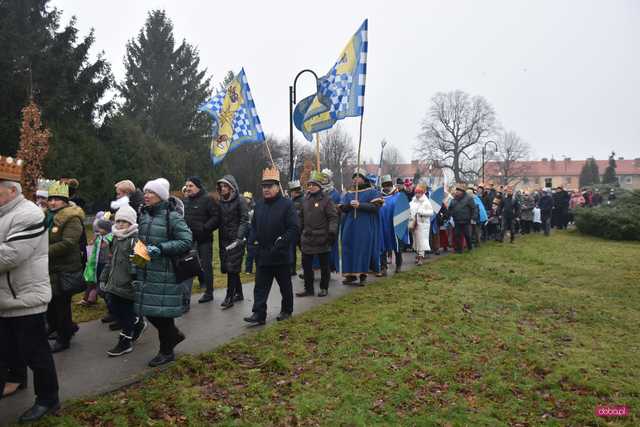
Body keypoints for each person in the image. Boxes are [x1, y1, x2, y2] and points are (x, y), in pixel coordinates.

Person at [0, 168, 61, 423]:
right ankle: (15, 379)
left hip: (26, 298)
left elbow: (10, 255)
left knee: (36, 353)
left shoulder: (29, 214)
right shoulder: (5, 214)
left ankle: (48, 399)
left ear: (11, 191)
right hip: (6, 297)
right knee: (6, 348)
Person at [135, 178, 192, 367]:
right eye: (146, 192)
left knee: (163, 315)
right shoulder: (143, 215)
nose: (146, 195)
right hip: (146, 271)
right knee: (150, 312)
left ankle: (166, 352)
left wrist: (161, 248)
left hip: (166, 273)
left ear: (160, 196)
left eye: (151, 192)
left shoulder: (172, 216)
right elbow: (141, 242)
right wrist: (136, 262)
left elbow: (186, 241)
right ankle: (174, 336)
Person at [244, 167, 299, 325]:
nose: (266, 189)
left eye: (270, 186)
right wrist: (251, 244)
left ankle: (287, 310)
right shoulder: (259, 206)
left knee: (285, 286)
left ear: (277, 187)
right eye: (264, 186)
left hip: (280, 255)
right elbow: (253, 227)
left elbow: (294, 228)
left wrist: (282, 241)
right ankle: (258, 314)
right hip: (263, 254)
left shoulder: (287, 205)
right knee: (260, 287)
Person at [100, 205, 147, 357]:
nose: (120, 224)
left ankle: (126, 341)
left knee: (126, 314)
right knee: (115, 308)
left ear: (131, 223)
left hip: (128, 284)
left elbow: (141, 262)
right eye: (118, 221)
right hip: (114, 282)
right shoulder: (115, 238)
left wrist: (134, 278)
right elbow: (110, 260)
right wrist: (104, 277)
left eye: (124, 222)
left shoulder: (136, 239)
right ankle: (137, 323)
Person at [45, 180, 86, 353]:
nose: (53, 202)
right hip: (51, 268)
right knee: (52, 303)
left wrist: (42, 251)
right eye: (51, 198)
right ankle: (64, 328)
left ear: (65, 200)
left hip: (64, 269)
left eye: (57, 199)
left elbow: (69, 243)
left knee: (61, 304)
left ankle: (64, 337)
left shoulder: (71, 217)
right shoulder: (48, 216)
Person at [297, 171, 339, 297]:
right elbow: (301, 217)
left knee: (324, 266)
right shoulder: (305, 199)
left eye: (313, 184)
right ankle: (308, 289)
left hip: (322, 238)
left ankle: (324, 288)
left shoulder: (327, 200)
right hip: (307, 238)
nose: (310, 187)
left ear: (320, 186)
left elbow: (333, 217)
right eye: (309, 185)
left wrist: (332, 232)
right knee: (307, 266)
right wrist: (298, 231)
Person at [340, 169, 383, 285]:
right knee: (348, 248)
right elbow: (342, 208)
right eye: (354, 177)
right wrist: (349, 205)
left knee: (362, 249)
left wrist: (360, 205)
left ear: (363, 179)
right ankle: (350, 275)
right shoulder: (349, 193)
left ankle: (363, 275)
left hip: (364, 226)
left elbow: (375, 207)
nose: (355, 179)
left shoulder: (372, 192)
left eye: (358, 177)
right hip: (350, 226)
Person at [182, 176, 220, 305]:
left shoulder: (208, 199)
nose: (188, 188)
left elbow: (216, 217)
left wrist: (205, 228)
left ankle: (209, 292)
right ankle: (185, 296)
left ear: (198, 186)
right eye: (187, 186)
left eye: (191, 186)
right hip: (189, 240)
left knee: (206, 266)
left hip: (204, 239)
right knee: (188, 266)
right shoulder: (186, 201)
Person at [216, 175, 250, 309]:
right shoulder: (220, 201)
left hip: (236, 240)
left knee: (232, 268)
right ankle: (239, 293)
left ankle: (229, 297)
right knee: (232, 268)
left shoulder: (240, 200)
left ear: (232, 187)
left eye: (225, 186)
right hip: (224, 239)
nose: (223, 188)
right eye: (221, 186)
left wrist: (239, 237)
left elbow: (244, 220)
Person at [80, 215, 113, 307]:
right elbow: (94, 249)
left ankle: (96, 298)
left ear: (107, 229)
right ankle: (90, 298)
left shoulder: (110, 238)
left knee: (101, 283)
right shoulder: (98, 238)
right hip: (96, 263)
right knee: (93, 281)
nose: (98, 230)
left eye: (100, 228)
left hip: (105, 264)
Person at [377, 175, 407, 275]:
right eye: (384, 185)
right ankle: (383, 268)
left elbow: (403, 210)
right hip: (382, 224)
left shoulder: (398, 195)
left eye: (388, 185)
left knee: (396, 246)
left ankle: (398, 265)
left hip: (394, 225)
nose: (386, 187)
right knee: (382, 246)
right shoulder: (379, 197)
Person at [409, 183, 434, 266]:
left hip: (423, 224)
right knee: (416, 240)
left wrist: (422, 212)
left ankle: (420, 257)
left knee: (422, 241)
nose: (417, 194)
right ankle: (417, 254)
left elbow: (431, 212)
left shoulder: (426, 202)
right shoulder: (413, 201)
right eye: (416, 192)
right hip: (414, 223)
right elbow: (410, 210)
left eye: (419, 193)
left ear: (422, 193)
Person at [448, 185, 476, 253]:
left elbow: (473, 209)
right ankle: (459, 249)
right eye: (456, 190)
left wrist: (473, 218)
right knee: (457, 235)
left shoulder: (469, 198)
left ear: (462, 192)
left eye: (458, 191)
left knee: (467, 235)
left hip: (466, 220)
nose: (456, 192)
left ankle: (470, 248)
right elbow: (450, 209)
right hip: (457, 220)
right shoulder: (454, 199)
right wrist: (451, 214)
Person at [287, 180, 304, 277]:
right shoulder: (291, 201)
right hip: (293, 230)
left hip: (301, 230)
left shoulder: (303, 200)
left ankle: (305, 269)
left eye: (291, 191)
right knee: (291, 250)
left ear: (295, 191)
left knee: (304, 251)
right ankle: (291, 269)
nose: (291, 193)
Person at [243, 192, 256, 274]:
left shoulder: (254, 207)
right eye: (245, 198)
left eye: (247, 198)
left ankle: (249, 269)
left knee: (251, 249)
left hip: (252, 229)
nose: (246, 199)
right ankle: (246, 268)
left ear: (250, 199)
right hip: (244, 229)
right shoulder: (242, 207)